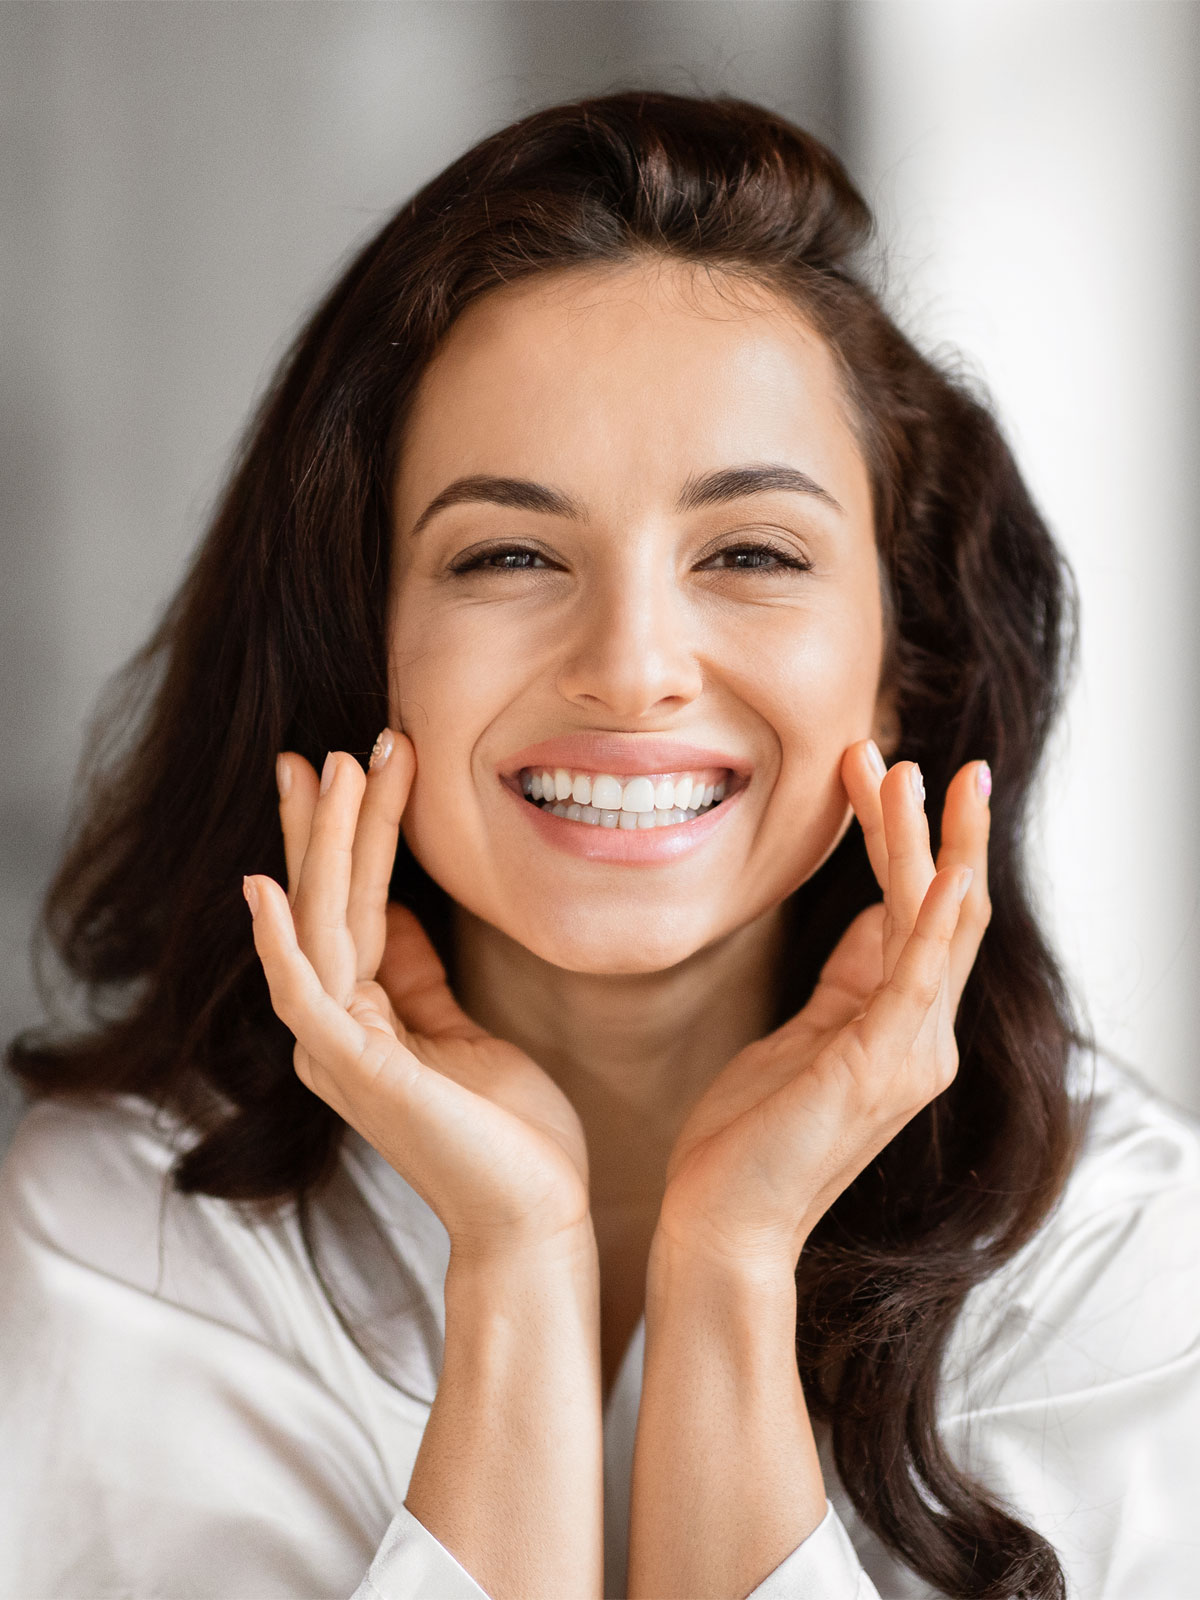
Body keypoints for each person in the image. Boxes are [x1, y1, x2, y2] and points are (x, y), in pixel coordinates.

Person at [2, 90, 1197, 1600]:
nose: (632, 667)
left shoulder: (1115, 1256)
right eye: (506, 554)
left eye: (751, 554)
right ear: (357, 651)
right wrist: (516, 1259)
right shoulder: (132, 1231)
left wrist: (727, 1270)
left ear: (908, 667)